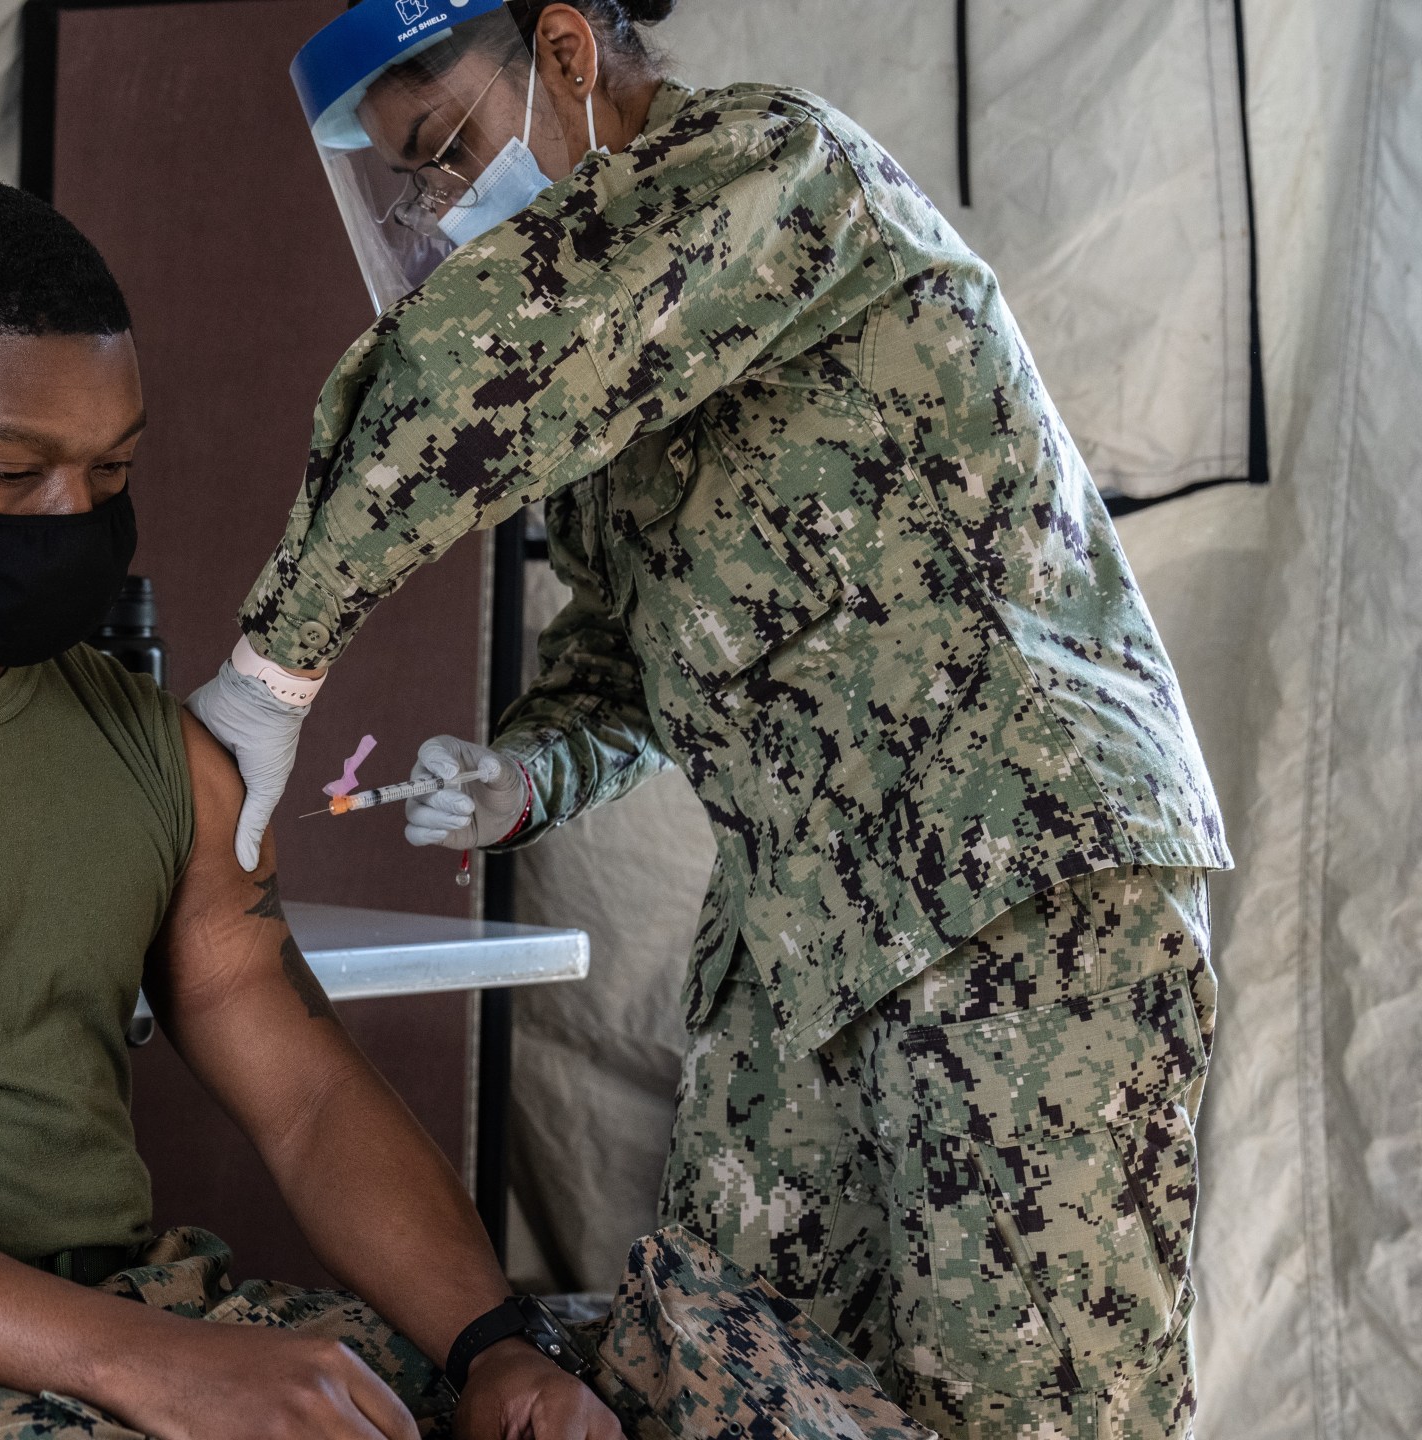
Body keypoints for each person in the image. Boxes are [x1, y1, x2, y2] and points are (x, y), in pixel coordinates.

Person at [0, 179, 925, 1440]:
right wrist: (140, 1363)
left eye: (110, 469)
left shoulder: (145, 747)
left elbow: (308, 1100)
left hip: (135, 1301)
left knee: (698, 1394)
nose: (71, 512)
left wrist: (495, 1347)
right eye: (11, 473)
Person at [182, 3, 1231, 1438]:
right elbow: (634, 648)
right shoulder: (615, 343)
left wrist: (271, 669)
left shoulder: (768, 172)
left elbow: (472, 370)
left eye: (445, 151)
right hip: (806, 953)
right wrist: (526, 770)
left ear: (561, 50)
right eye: (407, 182)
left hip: (1011, 888)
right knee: (723, 1376)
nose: (436, 210)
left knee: (1026, 1410)